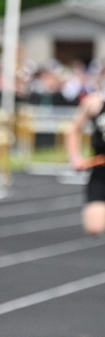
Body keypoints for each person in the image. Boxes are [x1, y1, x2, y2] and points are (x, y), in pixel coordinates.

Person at [65, 90, 105, 236]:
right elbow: (73, 130)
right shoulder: (95, 103)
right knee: (93, 227)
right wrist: (76, 158)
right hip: (101, 173)